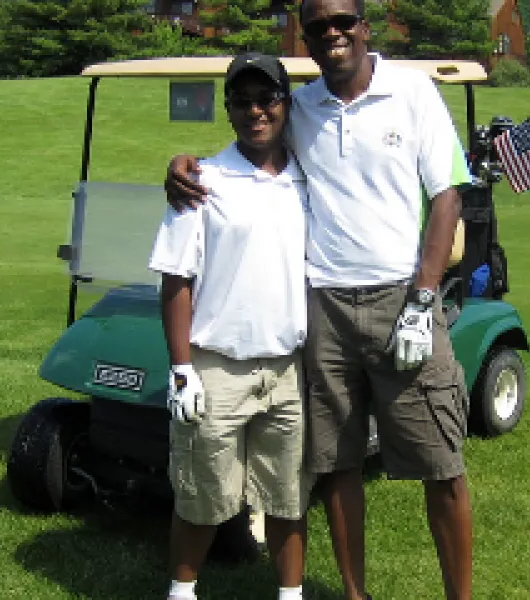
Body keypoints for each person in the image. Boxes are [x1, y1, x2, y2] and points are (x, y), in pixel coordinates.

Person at [165, 1, 474, 598]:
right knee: (336, 463)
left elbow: (446, 198)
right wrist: (184, 165)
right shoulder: (300, 105)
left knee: (441, 460)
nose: (331, 34)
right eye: (317, 28)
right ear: (305, 38)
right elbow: (247, 141)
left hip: (402, 300)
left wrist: (423, 295)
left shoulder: (412, 94)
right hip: (323, 307)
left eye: (342, 22)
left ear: (364, 27)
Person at [149, 53, 311, 600]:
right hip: (217, 366)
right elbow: (177, 280)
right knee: (202, 496)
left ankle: (290, 595)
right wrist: (181, 369)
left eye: (267, 99)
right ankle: (182, 591)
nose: (255, 111)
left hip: (288, 367)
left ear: (286, 105)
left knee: (288, 496)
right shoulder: (202, 181)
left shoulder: (309, 178)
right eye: (242, 102)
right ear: (228, 109)